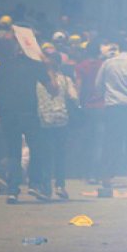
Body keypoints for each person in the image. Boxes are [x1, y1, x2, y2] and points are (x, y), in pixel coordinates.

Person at [0, 38, 57, 203]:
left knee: (13, 151)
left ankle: (13, 190)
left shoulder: (3, 66)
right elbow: (53, 89)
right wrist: (49, 67)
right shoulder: (36, 66)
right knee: (36, 148)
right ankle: (34, 183)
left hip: (7, 113)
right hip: (28, 112)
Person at [95, 42, 127, 188]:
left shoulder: (108, 63)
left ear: (120, 49)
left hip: (114, 107)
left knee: (111, 143)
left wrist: (106, 95)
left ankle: (106, 175)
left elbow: (98, 85)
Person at [36, 49, 78, 199]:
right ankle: (60, 185)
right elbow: (74, 98)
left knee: (45, 154)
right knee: (60, 154)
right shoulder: (65, 80)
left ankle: (46, 186)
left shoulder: (37, 80)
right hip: (61, 119)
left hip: (42, 119)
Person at [74, 40, 105, 184]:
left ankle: (86, 172)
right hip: (102, 106)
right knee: (99, 141)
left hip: (87, 106)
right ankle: (97, 173)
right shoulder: (103, 65)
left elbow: (78, 87)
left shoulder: (81, 66)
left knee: (87, 140)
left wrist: (77, 104)